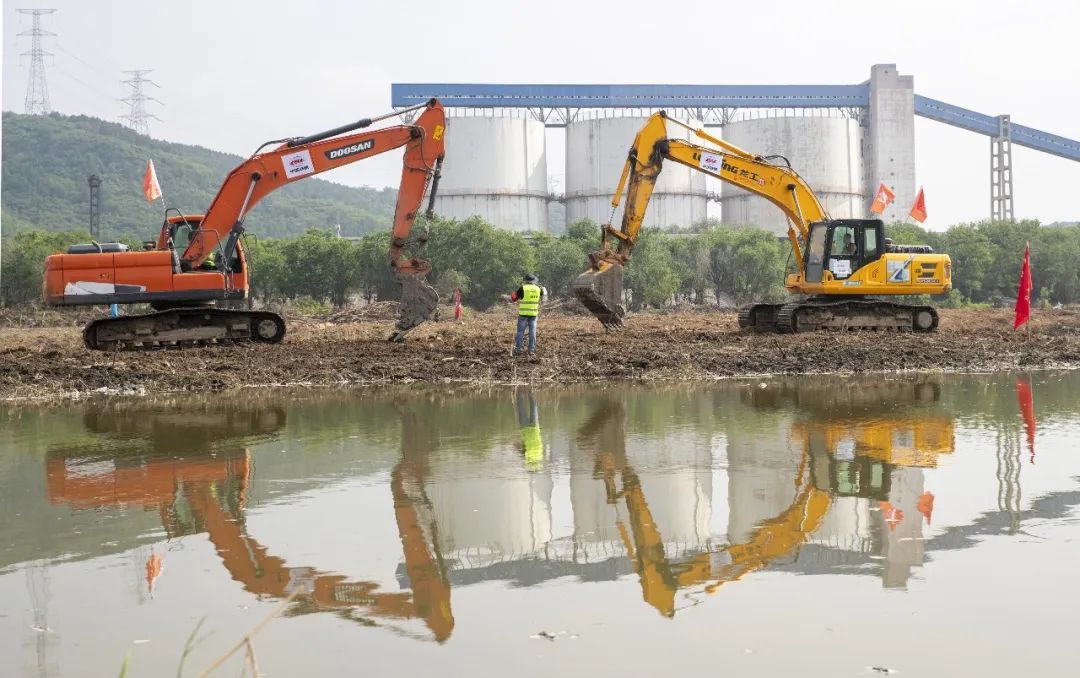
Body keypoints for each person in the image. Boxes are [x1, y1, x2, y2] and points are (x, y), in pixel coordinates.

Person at [505, 273, 546, 356]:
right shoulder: (538, 289)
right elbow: (544, 297)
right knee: (532, 331)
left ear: (526, 280)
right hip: (533, 314)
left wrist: (506, 296)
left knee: (520, 332)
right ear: (534, 281)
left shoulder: (523, 288)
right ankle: (531, 350)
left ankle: (518, 349)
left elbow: (513, 298)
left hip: (523, 314)